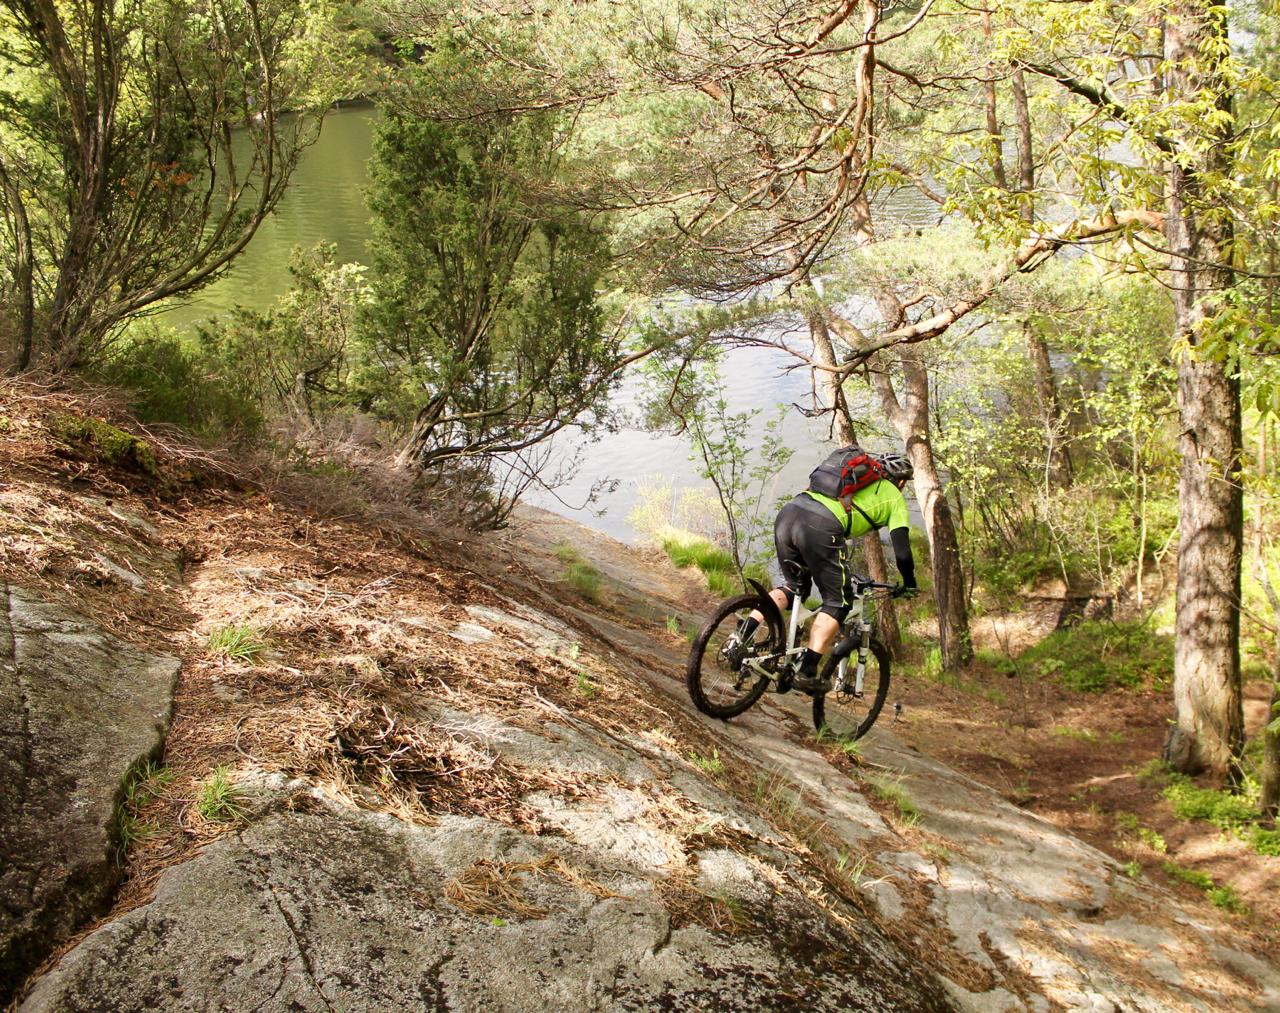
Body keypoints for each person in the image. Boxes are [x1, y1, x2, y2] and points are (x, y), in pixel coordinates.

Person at [726, 450, 919, 694]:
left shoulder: (847, 482)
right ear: (901, 482)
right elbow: (902, 552)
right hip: (821, 527)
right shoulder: (895, 499)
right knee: (838, 603)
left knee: (793, 586)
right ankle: (806, 670)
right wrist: (909, 582)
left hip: (789, 513)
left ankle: (740, 638)